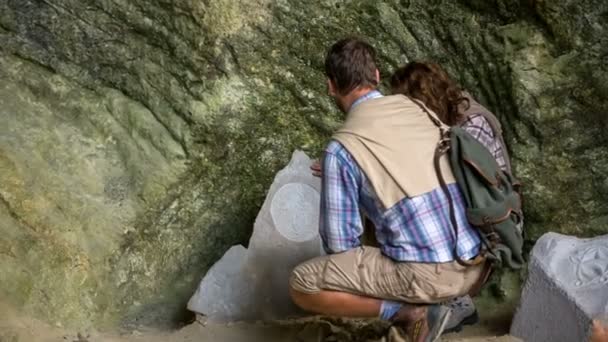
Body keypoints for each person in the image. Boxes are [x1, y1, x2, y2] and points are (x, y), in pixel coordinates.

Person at [289, 38, 486, 342]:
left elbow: (341, 247)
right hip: (477, 263)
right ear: (377, 76)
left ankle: (403, 312)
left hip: (433, 277)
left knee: (302, 283)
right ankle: (427, 305)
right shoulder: (418, 110)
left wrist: (339, 180)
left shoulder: (341, 150)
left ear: (330, 86)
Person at [389, 61, 516, 332]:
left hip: (491, 220)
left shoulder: (471, 126)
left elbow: (460, 189)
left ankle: (457, 299)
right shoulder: (441, 122)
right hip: (466, 214)